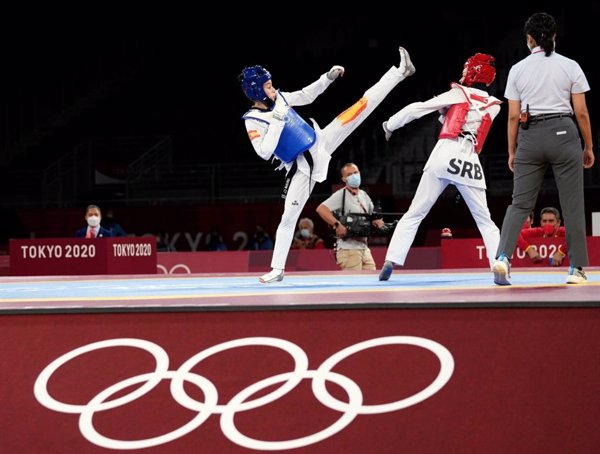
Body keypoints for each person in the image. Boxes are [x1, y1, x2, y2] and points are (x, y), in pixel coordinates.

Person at [240, 46, 415, 283]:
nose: (273, 89)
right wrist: (279, 118)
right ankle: (277, 269)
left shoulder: (279, 99)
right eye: (268, 86)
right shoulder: (253, 120)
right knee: (288, 218)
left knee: (361, 106)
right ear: (255, 91)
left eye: (271, 84)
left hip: (321, 140)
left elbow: (306, 95)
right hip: (303, 168)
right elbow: (264, 152)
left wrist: (327, 79)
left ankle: (400, 72)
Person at [378, 53, 502, 281]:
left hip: (445, 153)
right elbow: (468, 120)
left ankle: (390, 260)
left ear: (473, 72)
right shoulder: (495, 106)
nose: (463, 72)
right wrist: (446, 115)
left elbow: (419, 108)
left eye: (467, 69)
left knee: (415, 213)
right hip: (470, 160)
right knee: (485, 219)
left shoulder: (457, 93)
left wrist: (390, 124)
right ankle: (498, 264)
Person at [493, 12, 595, 285]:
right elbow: (581, 112)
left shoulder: (517, 69)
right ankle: (576, 269)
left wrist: (513, 150)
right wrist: (589, 146)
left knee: (519, 204)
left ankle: (503, 258)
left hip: (530, 136)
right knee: (572, 206)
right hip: (564, 133)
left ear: (529, 39)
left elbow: (513, 116)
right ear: (554, 37)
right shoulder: (570, 66)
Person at [316, 163, 384, 270]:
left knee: (372, 283)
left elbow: (373, 216)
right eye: (349, 174)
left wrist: (377, 221)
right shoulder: (341, 194)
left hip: (364, 248)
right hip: (348, 249)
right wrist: (337, 225)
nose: (354, 176)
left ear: (360, 173)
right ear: (344, 179)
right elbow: (321, 209)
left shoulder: (364, 195)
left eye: (355, 173)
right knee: (355, 285)